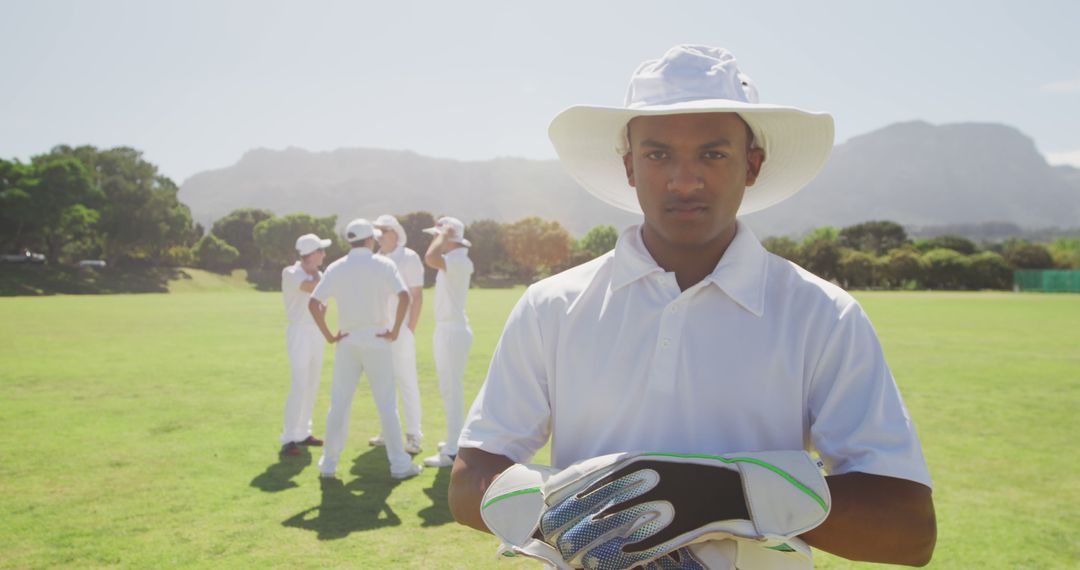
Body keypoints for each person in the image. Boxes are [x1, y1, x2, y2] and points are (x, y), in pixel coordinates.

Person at [449, 45, 936, 568]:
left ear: (752, 164)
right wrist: (571, 515)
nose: (683, 181)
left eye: (712, 153)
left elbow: (908, 531)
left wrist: (729, 497)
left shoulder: (823, 314)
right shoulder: (553, 305)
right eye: (658, 154)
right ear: (629, 166)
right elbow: (470, 478)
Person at [308, 218, 423, 480]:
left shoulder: (336, 268)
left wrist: (329, 335)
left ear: (350, 240)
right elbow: (405, 296)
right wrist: (394, 331)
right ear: (370, 239)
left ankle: (328, 465)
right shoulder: (383, 264)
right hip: (377, 340)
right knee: (386, 405)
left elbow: (314, 303)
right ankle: (399, 465)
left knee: (338, 404)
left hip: (347, 341)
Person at [367, 214, 425, 455]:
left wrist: (409, 328)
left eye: (384, 230)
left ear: (396, 233)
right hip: (378, 330)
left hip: (400, 331)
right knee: (384, 383)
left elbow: (417, 295)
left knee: (407, 382)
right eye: (377, 231)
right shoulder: (375, 259)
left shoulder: (409, 257)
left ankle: (414, 436)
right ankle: (387, 430)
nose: (379, 235)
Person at [421, 216, 474, 468]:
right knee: (448, 389)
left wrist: (442, 236)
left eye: (438, 236)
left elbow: (430, 258)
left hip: (452, 332)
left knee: (451, 391)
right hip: (446, 330)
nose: (435, 239)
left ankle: (454, 450)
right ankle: (454, 440)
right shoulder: (453, 260)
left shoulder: (459, 261)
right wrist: (442, 236)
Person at [278, 233, 331, 457]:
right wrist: (331, 278)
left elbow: (323, 304)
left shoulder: (319, 274)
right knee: (299, 384)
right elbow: (311, 288)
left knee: (312, 384)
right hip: (299, 331)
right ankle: (289, 437)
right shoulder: (291, 272)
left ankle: (303, 432)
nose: (324, 255)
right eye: (321, 251)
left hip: (315, 331)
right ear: (311, 254)